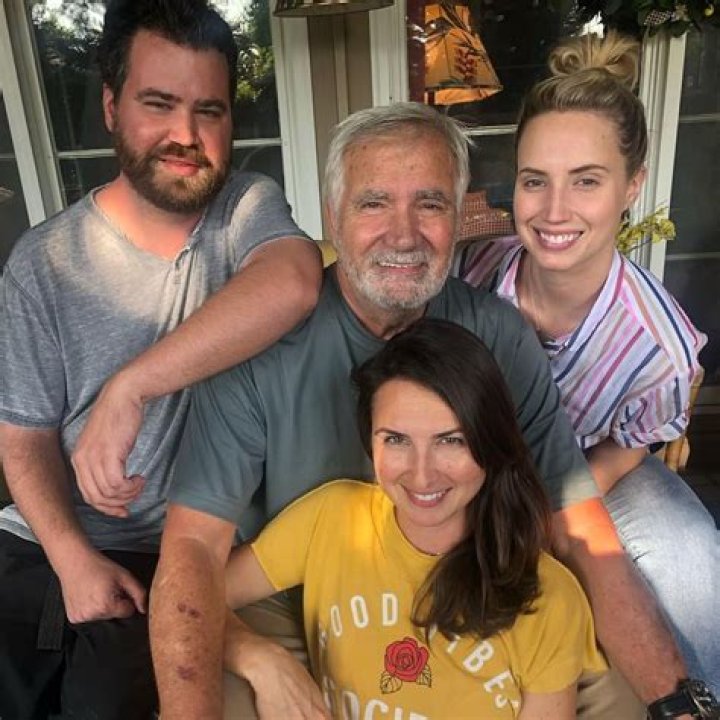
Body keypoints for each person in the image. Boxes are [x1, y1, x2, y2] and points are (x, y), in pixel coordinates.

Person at [151, 102, 693, 720]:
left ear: (460, 216)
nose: (403, 234)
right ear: (333, 215)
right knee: (231, 698)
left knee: (617, 696)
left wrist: (675, 699)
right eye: (374, 203)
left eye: (430, 204)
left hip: (467, 571)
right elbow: (194, 550)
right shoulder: (261, 339)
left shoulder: (498, 332)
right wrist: (253, 654)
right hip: (295, 590)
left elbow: (574, 521)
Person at [0, 0, 320, 716]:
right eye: (159, 104)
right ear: (111, 107)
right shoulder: (42, 263)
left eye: (209, 111)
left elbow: (296, 282)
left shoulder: (244, 211)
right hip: (46, 539)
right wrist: (71, 557)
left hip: (177, 554)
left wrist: (132, 385)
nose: (186, 135)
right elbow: (22, 437)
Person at [454, 31, 719, 693]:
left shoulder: (659, 347)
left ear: (632, 186)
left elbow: (631, 446)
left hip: (586, 466)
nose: (554, 211)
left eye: (587, 182)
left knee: (692, 558)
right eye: (534, 181)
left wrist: (549, 511)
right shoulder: (472, 275)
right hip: (474, 466)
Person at [223, 318, 607, 719]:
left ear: (489, 443)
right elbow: (198, 592)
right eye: (396, 439)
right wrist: (260, 660)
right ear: (370, 441)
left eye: (451, 441)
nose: (422, 476)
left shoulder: (548, 597)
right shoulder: (330, 519)